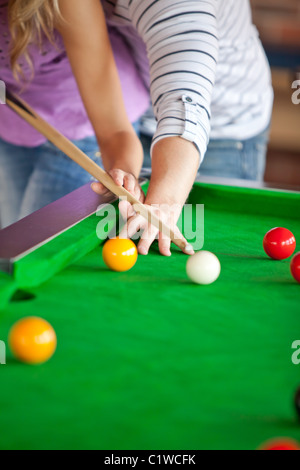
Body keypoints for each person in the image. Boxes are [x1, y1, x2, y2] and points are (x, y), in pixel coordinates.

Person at [0, 0, 273, 257]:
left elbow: (184, 104)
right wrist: (125, 171)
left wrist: (165, 199)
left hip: (222, 123)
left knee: (197, 237)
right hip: (141, 103)